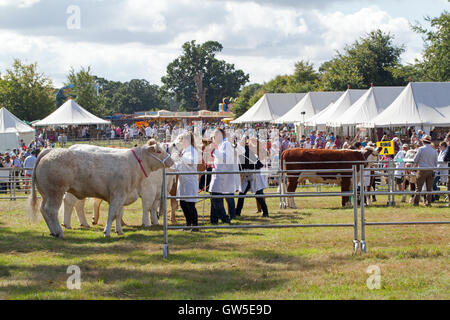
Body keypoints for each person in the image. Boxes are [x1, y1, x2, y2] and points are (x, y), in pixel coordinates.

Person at [235, 137, 269, 217]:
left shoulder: (247, 151)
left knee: (258, 194)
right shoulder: (240, 152)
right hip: (247, 176)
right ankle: (237, 212)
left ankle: (266, 212)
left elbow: (256, 164)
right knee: (241, 194)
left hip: (255, 175)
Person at [174, 132, 200, 231]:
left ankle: (195, 225)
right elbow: (180, 164)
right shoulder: (184, 150)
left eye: (182, 140)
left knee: (190, 204)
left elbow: (190, 162)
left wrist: (181, 156)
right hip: (183, 180)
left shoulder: (192, 151)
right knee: (183, 203)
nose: (181, 142)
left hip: (190, 180)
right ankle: (188, 224)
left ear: (188, 140)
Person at [209, 128, 235, 224]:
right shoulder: (220, 145)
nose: (213, 138)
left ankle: (225, 219)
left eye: (214, 135)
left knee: (215, 197)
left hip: (222, 176)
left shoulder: (226, 144)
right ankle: (213, 220)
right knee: (214, 197)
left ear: (220, 135)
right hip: (218, 174)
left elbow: (225, 158)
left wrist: (214, 152)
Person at [413, 135, 438, 206]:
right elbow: (436, 162)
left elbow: (415, 159)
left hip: (422, 170)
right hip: (430, 170)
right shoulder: (434, 151)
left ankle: (416, 202)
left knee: (418, 187)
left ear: (423, 141)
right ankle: (428, 203)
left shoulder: (420, 149)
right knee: (429, 188)